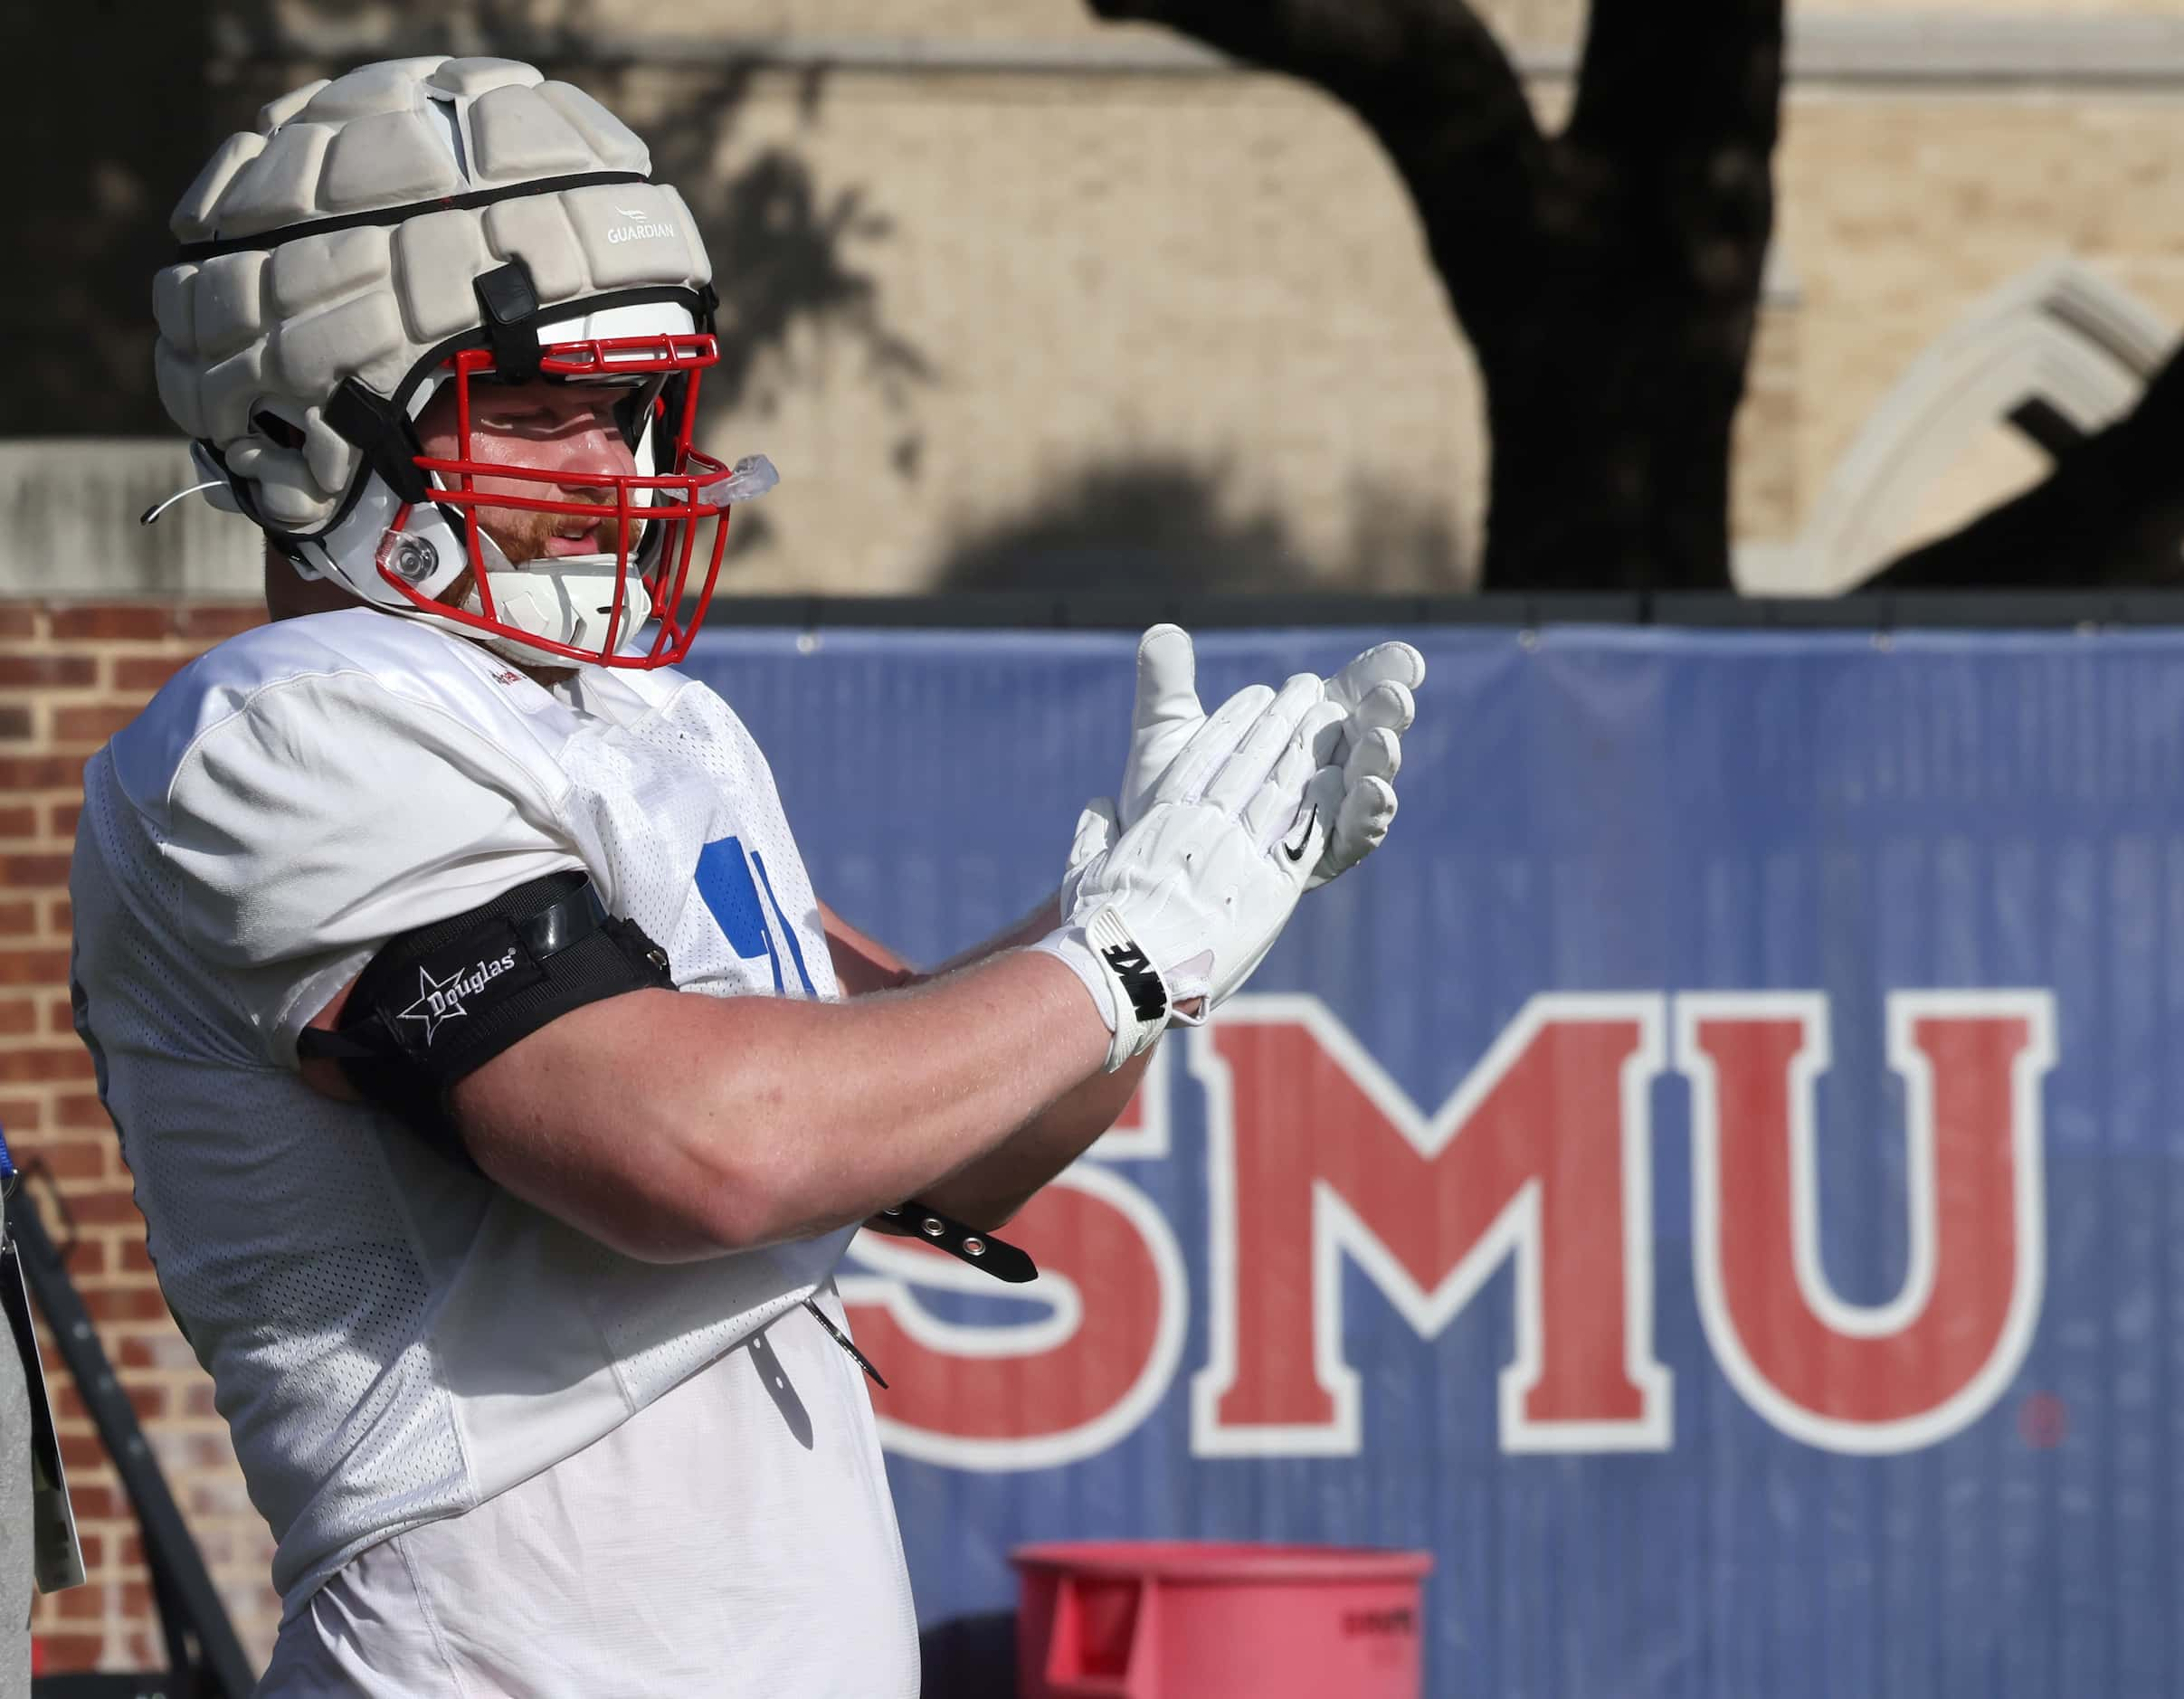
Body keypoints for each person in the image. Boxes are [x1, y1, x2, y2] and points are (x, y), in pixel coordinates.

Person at [71, 56, 1424, 1696]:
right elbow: (697, 1150)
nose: (608, 468)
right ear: (304, 430)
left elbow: (945, 1153)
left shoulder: (643, 720)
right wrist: (1119, 957)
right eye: (535, 406)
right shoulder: (282, 733)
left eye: (629, 406)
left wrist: (1173, 914)